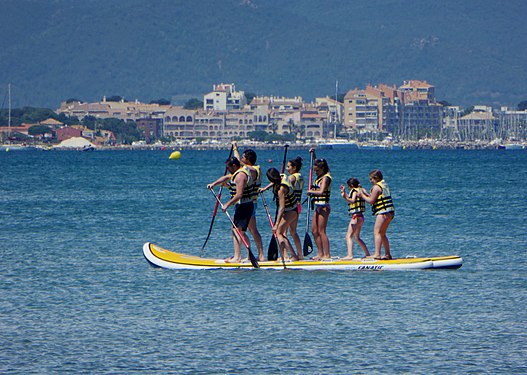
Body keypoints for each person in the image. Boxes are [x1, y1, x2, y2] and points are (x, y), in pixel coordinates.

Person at [207, 156, 253, 263]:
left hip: (244, 206)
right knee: (239, 231)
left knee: (236, 230)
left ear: (234, 166)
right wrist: (213, 184)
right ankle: (248, 255)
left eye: (228, 167)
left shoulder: (240, 176)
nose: (227, 170)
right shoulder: (236, 173)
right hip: (243, 206)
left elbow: (239, 194)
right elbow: (225, 178)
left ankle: (237, 257)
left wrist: (227, 204)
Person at [233, 142, 265, 261]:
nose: (241, 159)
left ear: (248, 160)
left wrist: (235, 149)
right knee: (252, 229)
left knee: (247, 229)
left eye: (243, 157)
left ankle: (257, 255)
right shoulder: (249, 168)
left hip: (250, 203)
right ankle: (255, 255)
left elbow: (238, 162)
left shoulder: (253, 169)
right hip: (250, 203)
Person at [358, 169, 395, 260]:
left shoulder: (376, 187)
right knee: (382, 233)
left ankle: (377, 254)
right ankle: (387, 254)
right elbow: (374, 197)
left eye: (371, 179)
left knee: (377, 232)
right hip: (389, 212)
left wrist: (362, 196)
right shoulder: (383, 185)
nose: (370, 181)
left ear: (376, 178)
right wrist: (364, 193)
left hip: (382, 213)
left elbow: (371, 201)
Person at [266, 168, 299, 261]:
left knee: (279, 232)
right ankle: (285, 256)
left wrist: (276, 224)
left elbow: (282, 207)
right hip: (293, 209)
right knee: (282, 233)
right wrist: (265, 189)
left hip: (291, 211)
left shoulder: (281, 189)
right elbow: (273, 182)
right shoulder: (282, 177)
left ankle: (293, 256)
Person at [306, 149, 332, 260]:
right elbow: (316, 161)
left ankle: (327, 255)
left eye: (317, 171)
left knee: (321, 231)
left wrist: (310, 192)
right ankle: (320, 253)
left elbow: (321, 192)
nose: (315, 172)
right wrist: (313, 154)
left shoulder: (326, 178)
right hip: (318, 206)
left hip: (324, 207)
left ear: (322, 169)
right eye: (314, 171)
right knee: (314, 231)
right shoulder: (320, 174)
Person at [340, 178, 370, 259]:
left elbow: (352, 200)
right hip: (361, 217)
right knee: (357, 237)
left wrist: (344, 197)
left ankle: (350, 255)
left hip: (355, 217)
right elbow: (369, 196)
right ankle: (367, 254)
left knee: (348, 236)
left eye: (348, 187)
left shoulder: (354, 191)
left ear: (352, 186)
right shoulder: (362, 190)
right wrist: (345, 193)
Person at [286, 157, 305, 259]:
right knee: (293, 231)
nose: (287, 169)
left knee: (283, 232)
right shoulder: (301, 176)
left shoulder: (292, 177)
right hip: (298, 206)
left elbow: (284, 184)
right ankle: (300, 254)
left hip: (291, 206)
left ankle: (289, 255)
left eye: (288, 167)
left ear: (294, 167)